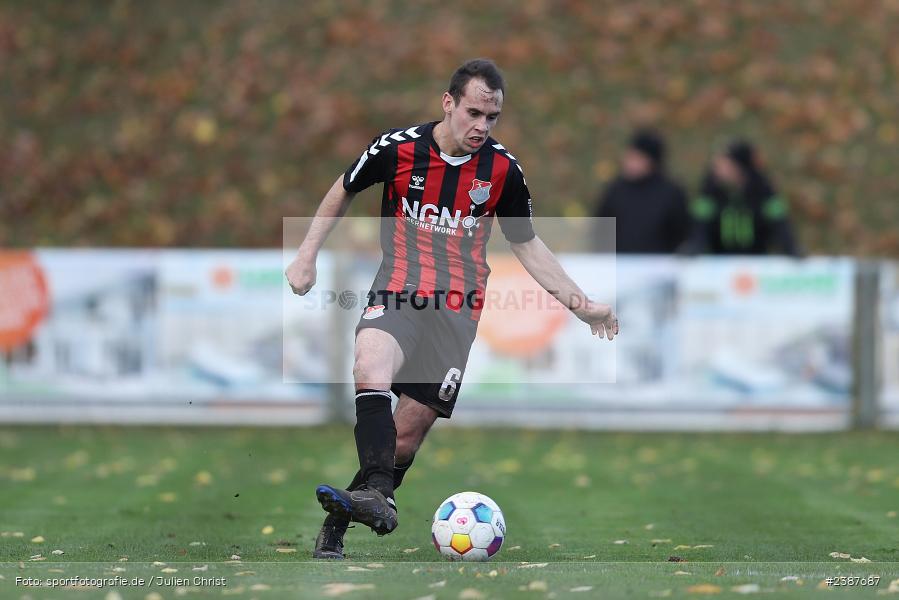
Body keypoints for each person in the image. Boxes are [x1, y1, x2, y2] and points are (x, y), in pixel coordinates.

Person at [284, 58, 619, 560]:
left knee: (404, 440)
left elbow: (527, 244)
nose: (482, 126)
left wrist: (581, 305)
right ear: (448, 103)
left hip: (457, 311)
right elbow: (344, 188)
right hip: (398, 290)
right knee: (368, 367)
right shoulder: (395, 149)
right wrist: (306, 254)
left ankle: (354, 510)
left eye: (493, 117)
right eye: (474, 113)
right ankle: (377, 495)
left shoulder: (503, 171)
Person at [685, 140, 801, 256]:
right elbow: (700, 224)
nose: (717, 168)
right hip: (719, 260)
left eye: (724, 164)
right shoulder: (710, 189)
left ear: (738, 166)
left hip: (757, 258)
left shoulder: (763, 189)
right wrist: (695, 245)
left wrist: (790, 247)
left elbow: (779, 222)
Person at [593, 130, 689, 253]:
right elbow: (601, 230)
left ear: (651, 161)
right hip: (620, 265)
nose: (628, 162)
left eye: (636, 158)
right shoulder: (615, 190)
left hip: (660, 265)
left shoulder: (671, 193)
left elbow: (681, 233)